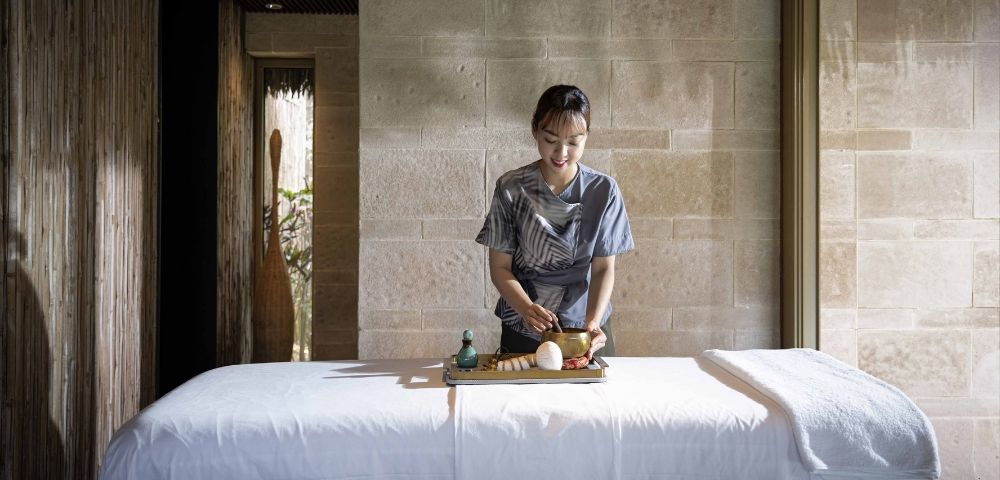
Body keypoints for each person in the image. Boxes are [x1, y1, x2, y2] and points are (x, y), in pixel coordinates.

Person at [476, 84, 634, 360]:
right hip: (526, 327)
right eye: (550, 140)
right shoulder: (511, 187)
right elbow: (500, 267)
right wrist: (526, 309)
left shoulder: (604, 190)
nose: (561, 153)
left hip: (585, 327)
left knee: (597, 402)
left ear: (586, 137)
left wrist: (593, 322)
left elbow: (603, 268)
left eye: (574, 142)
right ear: (535, 129)